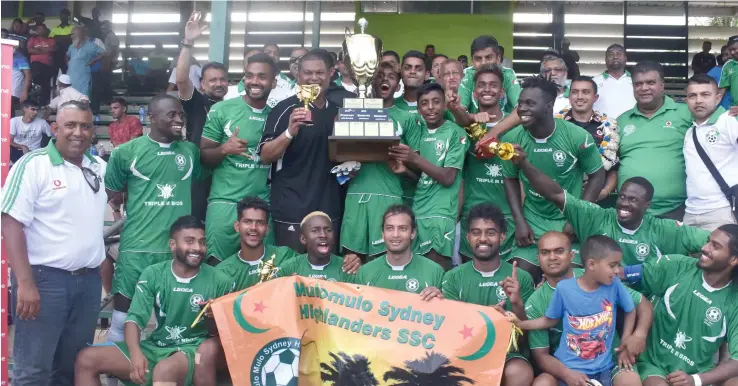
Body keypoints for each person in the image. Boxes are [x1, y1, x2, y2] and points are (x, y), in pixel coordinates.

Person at [2, 101, 107, 385]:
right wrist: (24, 283)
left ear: (92, 130)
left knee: (71, 367)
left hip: (87, 284)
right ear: (55, 128)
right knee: (34, 370)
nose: (78, 133)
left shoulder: (98, 167)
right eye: (70, 125)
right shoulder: (33, 165)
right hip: (44, 282)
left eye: (85, 126)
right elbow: (10, 224)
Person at [74, 216, 234, 386]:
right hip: (156, 346)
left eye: (202, 242)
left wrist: (212, 316)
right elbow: (134, 319)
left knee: (165, 371)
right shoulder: (153, 274)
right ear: (173, 245)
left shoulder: (220, 280)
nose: (197, 247)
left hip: (192, 349)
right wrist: (135, 354)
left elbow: (225, 335)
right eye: (189, 241)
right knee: (86, 359)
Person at [104, 94, 204, 354]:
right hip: (137, 248)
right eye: (171, 114)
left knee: (170, 323)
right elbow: (113, 190)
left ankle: (163, 373)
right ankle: (115, 376)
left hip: (175, 253)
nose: (178, 119)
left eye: (181, 114)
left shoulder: (190, 152)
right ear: (152, 118)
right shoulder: (126, 153)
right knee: (121, 319)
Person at [509, 144, 709, 266]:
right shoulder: (596, 217)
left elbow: (711, 240)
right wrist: (525, 164)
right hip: (598, 299)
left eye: (633, 200)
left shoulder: (663, 229)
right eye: (622, 197)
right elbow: (555, 193)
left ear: (647, 205)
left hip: (642, 300)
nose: (625, 203)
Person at [502, 76, 605, 280]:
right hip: (533, 222)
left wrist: (579, 218)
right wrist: (520, 221)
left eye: (530, 103)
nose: (522, 108)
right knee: (520, 276)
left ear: (549, 106)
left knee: (572, 281)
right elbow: (509, 179)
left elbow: (597, 174)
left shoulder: (577, 136)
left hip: (569, 224)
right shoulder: (511, 139)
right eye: (521, 103)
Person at [258, 49, 353, 253]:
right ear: (298, 75)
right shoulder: (284, 109)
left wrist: (350, 167)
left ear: (330, 74)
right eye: (308, 73)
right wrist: (290, 132)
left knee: (325, 272)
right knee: (291, 272)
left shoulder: (339, 112)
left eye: (319, 73)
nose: (313, 78)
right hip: (292, 208)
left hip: (329, 207)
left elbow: (343, 159)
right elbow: (265, 156)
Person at [525, 231, 650, 386]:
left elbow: (641, 303)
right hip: (566, 366)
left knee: (630, 381)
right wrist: (567, 374)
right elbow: (541, 356)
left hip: (610, 360)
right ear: (538, 259)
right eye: (545, 253)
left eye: (559, 251)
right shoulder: (536, 301)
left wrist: (637, 336)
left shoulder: (600, 278)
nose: (552, 257)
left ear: (571, 255)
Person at [620, 225, 738, 386]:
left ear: (734, 259)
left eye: (715, 246)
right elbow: (622, 273)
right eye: (708, 241)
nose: (704, 248)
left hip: (697, 374)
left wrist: (696, 380)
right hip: (654, 365)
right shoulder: (677, 266)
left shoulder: (734, 300)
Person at [442, 203, 536, 386]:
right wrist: (486, 319)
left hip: (507, 354)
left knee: (519, 372)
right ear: (468, 237)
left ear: (502, 236)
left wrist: (516, 303)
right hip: (466, 352)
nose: (483, 238)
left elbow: (526, 338)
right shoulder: (453, 277)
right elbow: (450, 331)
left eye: (490, 232)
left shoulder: (521, 278)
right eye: (476, 232)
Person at [200, 54, 277, 263]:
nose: (254, 81)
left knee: (259, 275)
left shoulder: (277, 116)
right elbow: (204, 155)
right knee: (216, 270)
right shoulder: (222, 110)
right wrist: (224, 149)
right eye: (249, 76)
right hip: (224, 204)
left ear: (274, 82)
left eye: (262, 76)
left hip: (261, 206)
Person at [340, 62, 421, 260]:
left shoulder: (407, 118)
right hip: (356, 193)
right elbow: (338, 151)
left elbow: (417, 169)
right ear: (370, 82)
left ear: (398, 84)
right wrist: (344, 168)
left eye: (391, 76)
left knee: (384, 260)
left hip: (389, 195)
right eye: (379, 75)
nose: (385, 79)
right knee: (352, 261)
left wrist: (405, 170)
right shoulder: (355, 110)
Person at [389, 83, 468, 270]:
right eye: (424, 103)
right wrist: (406, 171)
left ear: (444, 105)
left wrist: (414, 158)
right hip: (419, 210)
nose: (430, 107)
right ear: (418, 109)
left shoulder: (455, 132)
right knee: (418, 269)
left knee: (438, 267)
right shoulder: (420, 133)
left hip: (441, 213)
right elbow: (425, 177)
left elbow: (448, 177)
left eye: (436, 102)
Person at [452, 65, 516, 261]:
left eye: (493, 85)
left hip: (508, 217)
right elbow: (461, 177)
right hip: (472, 217)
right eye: (481, 85)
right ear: (474, 92)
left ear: (502, 92)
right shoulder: (464, 127)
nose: (487, 89)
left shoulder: (515, 127)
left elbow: (521, 178)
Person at [616, 61, 693, 220]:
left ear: (662, 85)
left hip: (676, 209)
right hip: (630, 211)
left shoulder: (686, 113)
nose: (644, 88)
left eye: (651, 82)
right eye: (638, 84)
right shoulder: (621, 121)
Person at [177, 12, 230, 223]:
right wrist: (188, 42)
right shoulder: (197, 103)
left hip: (225, 174)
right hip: (199, 176)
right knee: (197, 225)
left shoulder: (234, 106)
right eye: (213, 80)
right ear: (203, 85)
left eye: (223, 79)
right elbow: (181, 80)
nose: (218, 83)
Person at [683, 74, 738, 230]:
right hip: (691, 211)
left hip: (722, 211)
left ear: (718, 98)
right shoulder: (690, 132)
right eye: (692, 95)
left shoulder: (728, 121)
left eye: (705, 94)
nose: (698, 100)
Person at [356, 205, 445, 296]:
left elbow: (447, 308)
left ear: (413, 233)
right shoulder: (365, 272)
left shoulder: (434, 271)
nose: (395, 234)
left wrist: (439, 299)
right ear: (383, 234)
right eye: (389, 228)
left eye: (402, 228)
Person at [276, 212, 357, 283]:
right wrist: (288, 287)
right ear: (303, 239)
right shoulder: (288, 268)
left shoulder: (347, 267)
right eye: (315, 230)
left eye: (328, 230)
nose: (323, 235)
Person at [458, 36, 521, 114]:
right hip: (473, 124)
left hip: (506, 124)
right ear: (472, 62)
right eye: (478, 59)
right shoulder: (467, 74)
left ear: (498, 59)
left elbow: (521, 109)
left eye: (488, 57)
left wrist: (497, 126)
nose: (483, 63)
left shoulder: (508, 74)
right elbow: (460, 111)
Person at [593, 44, 637, 120]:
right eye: (610, 54)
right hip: (601, 129)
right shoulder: (594, 82)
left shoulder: (635, 81)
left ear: (625, 59)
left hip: (632, 128)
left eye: (619, 54)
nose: (615, 57)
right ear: (605, 60)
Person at [65, 25, 104, 96]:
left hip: (83, 75)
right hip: (71, 74)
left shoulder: (90, 45)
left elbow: (103, 53)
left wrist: (93, 61)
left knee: (83, 95)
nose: (71, 36)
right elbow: (67, 55)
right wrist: (68, 62)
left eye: (73, 34)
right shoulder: (71, 46)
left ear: (79, 35)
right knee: (70, 95)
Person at [27, 23, 56, 105]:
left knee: (45, 84)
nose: (41, 30)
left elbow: (52, 49)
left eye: (43, 29)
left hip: (47, 65)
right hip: (36, 65)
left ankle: (43, 103)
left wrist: (38, 49)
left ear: (46, 30)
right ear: (36, 31)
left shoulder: (51, 40)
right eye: (39, 29)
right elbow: (29, 50)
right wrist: (45, 50)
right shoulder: (33, 39)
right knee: (38, 82)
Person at [394, 51, 427, 116]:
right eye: (407, 68)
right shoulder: (391, 105)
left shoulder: (435, 107)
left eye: (419, 69)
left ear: (426, 75)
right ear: (401, 72)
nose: (412, 71)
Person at [708, 45, 733, 109]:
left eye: (732, 54)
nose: (729, 56)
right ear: (722, 57)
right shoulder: (714, 71)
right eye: (726, 54)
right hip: (717, 108)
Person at [49, 9, 74, 76]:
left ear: (68, 17)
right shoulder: (54, 29)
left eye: (65, 17)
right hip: (56, 53)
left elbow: (72, 39)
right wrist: (67, 37)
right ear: (60, 17)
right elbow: (51, 40)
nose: (63, 18)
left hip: (68, 53)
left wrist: (57, 37)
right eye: (62, 16)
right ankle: (54, 85)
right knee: (55, 72)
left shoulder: (73, 28)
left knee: (66, 72)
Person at [719, 35, 738, 108]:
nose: (732, 52)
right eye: (730, 50)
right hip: (734, 109)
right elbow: (722, 90)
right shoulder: (727, 65)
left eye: (734, 49)